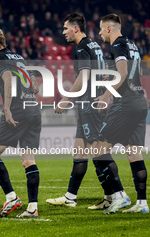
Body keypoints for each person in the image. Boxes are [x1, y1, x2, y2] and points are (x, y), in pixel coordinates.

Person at [46, 13, 114, 209]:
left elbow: (84, 76)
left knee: (97, 153)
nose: (63, 32)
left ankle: (114, 195)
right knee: (80, 151)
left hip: (89, 105)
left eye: (66, 28)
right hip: (93, 102)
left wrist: (66, 99)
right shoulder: (94, 45)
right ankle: (70, 197)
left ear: (76, 28)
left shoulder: (82, 47)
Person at [0, 26, 41, 218]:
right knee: (28, 160)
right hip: (33, 110)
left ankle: (12, 197)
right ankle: (32, 208)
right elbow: (36, 86)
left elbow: (6, 78)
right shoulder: (18, 57)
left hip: (17, 112)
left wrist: (6, 108)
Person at [94, 13, 148, 214]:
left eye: (100, 28)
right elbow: (138, 73)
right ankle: (142, 204)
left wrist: (107, 95)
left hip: (125, 103)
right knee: (134, 153)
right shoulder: (132, 44)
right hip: (140, 100)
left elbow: (124, 73)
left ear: (109, 28)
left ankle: (120, 195)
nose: (99, 33)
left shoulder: (117, 44)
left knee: (98, 149)